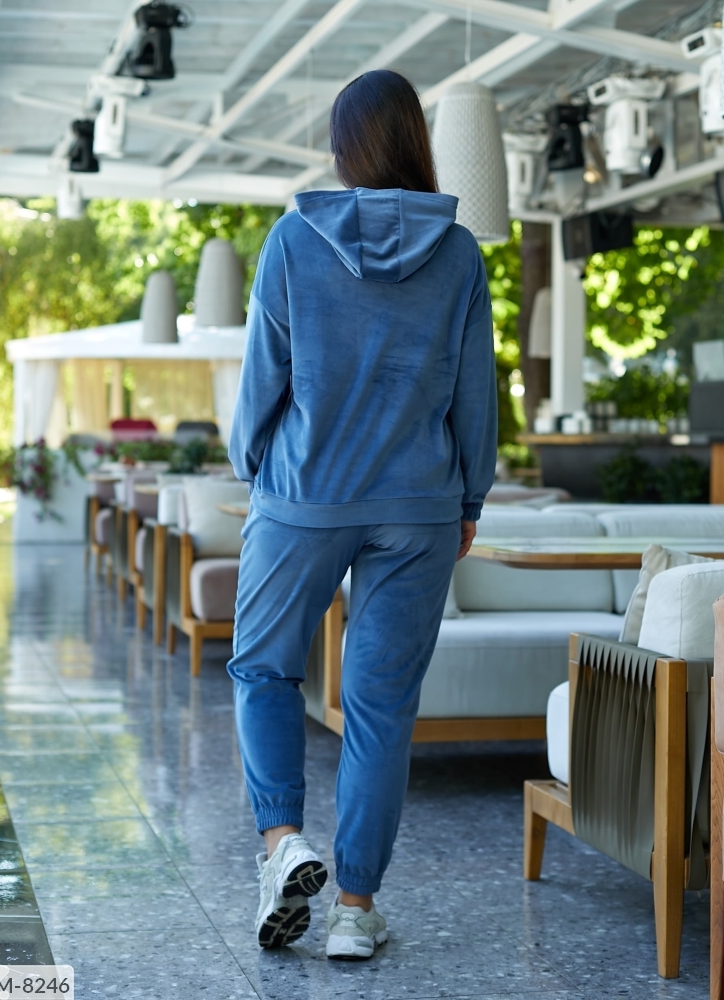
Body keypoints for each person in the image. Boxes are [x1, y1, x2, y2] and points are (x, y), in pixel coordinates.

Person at [227, 68, 497, 960]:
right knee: (380, 707)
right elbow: (475, 395)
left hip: (303, 495)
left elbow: (264, 378)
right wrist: (470, 497)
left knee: (264, 668)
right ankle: (353, 909)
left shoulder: (292, 241)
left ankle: (282, 843)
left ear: (344, 148)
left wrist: (252, 466)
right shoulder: (459, 255)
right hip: (419, 507)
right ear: (416, 139)